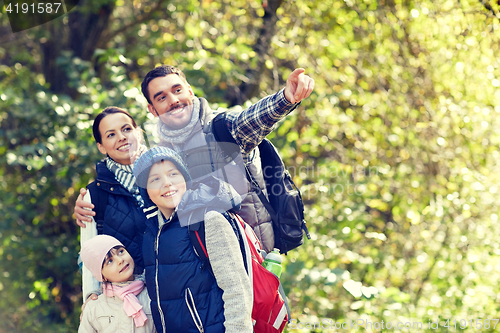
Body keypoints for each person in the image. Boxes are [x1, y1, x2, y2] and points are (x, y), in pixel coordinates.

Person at [75, 66, 314, 253]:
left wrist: (285, 98)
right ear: (152, 109)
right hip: (202, 274)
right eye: (161, 97)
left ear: (189, 90)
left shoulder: (222, 128)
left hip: (256, 261)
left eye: (177, 90)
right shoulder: (160, 153)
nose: (173, 100)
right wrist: (87, 200)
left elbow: (250, 119)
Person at [132, 146, 253, 333]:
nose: (167, 183)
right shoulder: (151, 235)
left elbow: (237, 291)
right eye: (155, 179)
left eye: (173, 174)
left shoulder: (207, 220)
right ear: (145, 190)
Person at [79, 107, 148, 302]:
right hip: (130, 301)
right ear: (101, 146)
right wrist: (91, 297)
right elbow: (89, 253)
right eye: (111, 134)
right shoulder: (93, 196)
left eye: (126, 129)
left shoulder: (167, 172)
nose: (121, 137)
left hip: (181, 287)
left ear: (138, 133)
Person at [79, 235, 156, 333]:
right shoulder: (94, 307)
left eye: (121, 251)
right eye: (109, 261)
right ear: (101, 276)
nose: (120, 260)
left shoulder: (152, 295)